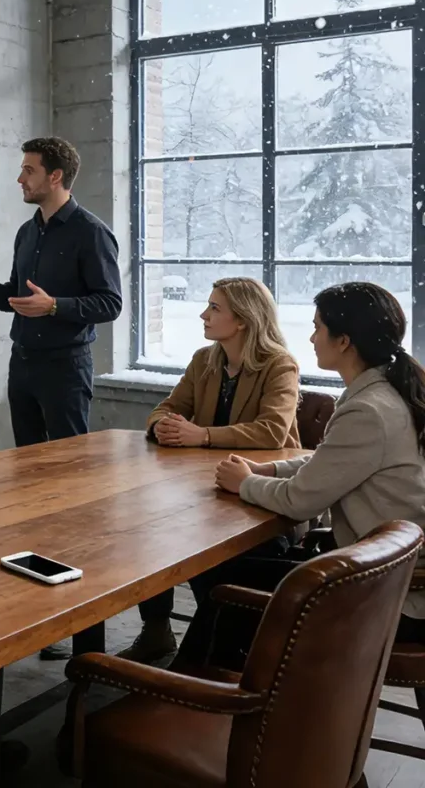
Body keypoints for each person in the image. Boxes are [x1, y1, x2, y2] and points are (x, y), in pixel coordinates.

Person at [182, 282, 425, 668]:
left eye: (317, 328)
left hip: (390, 596)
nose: (311, 338)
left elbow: (299, 502)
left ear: (343, 341)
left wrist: (245, 483)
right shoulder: (385, 392)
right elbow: (331, 462)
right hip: (386, 572)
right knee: (237, 572)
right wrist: (268, 469)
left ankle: (202, 687)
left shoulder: (368, 410)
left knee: (225, 583)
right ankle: (228, 675)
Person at [121, 277, 300, 664]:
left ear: (243, 319)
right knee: (150, 531)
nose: (203, 315)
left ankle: (217, 648)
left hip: (257, 494)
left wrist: (201, 435)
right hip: (202, 490)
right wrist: (162, 426)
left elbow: (272, 430)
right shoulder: (205, 360)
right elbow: (167, 408)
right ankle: (157, 630)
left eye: (215, 308)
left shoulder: (279, 365)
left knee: (200, 553)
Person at [0, 137, 121, 448]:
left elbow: (110, 304)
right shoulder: (26, 233)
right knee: (27, 461)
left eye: (29, 171)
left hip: (65, 368)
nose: (20, 179)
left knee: (68, 462)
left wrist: (54, 306)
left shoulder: (92, 233)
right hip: (21, 363)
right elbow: (20, 299)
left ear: (55, 176)